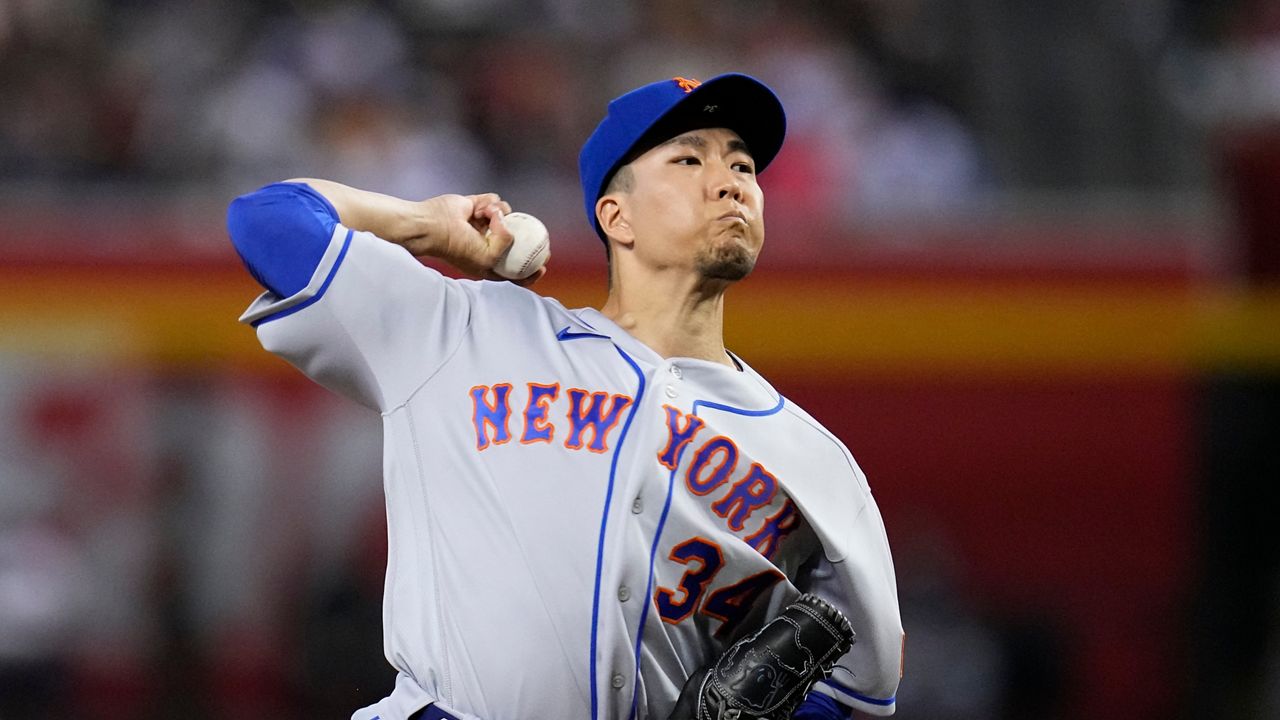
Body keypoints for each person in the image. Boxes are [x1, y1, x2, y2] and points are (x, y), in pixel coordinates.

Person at [226, 73, 904, 720]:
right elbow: (268, 222)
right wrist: (423, 226)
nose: (730, 183)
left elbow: (860, 685)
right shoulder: (468, 331)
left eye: (743, 167)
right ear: (617, 214)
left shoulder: (817, 463)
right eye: (691, 161)